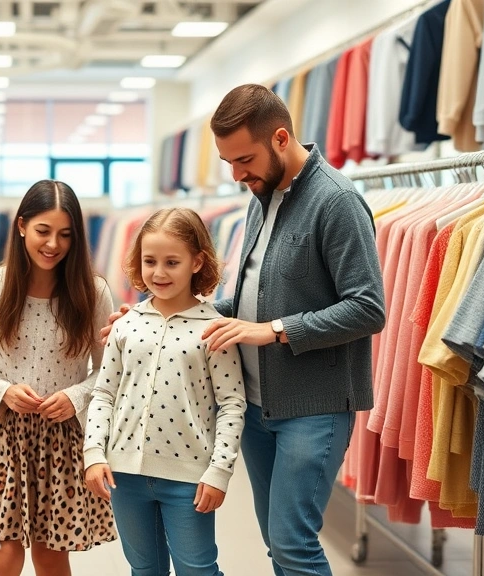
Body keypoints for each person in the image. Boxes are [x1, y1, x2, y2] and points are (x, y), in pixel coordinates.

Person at [101, 84, 385, 576]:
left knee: (293, 543)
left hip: (313, 408)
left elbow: (368, 308)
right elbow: (245, 297)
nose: (236, 175)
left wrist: (273, 330)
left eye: (244, 160)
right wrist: (162, 313)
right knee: (276, 544)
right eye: (228, 162)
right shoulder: (262, 196)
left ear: (280, 138)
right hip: (257, 405)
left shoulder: (337, 202)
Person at [0, 180, 117, 576]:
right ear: (22, 226)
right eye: (44, 231)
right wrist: (3, 390)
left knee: (50, 554)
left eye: (65, 234)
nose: (53, 244)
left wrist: (76, 396)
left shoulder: (92, 293)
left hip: (61, 438)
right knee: (3, 553)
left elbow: (110, 372)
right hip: (1, 436)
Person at [84, 208, 246, 576]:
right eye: (149, 261)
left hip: (189, 479)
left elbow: (232, 404)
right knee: (144, 570)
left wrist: (219, 471)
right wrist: (94, 452)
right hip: (124, 476)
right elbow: (103, 392)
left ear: (196, 262)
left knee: (198, 570)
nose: (158, 273)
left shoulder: (213, 329)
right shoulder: (125, 324)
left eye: (172, 262)